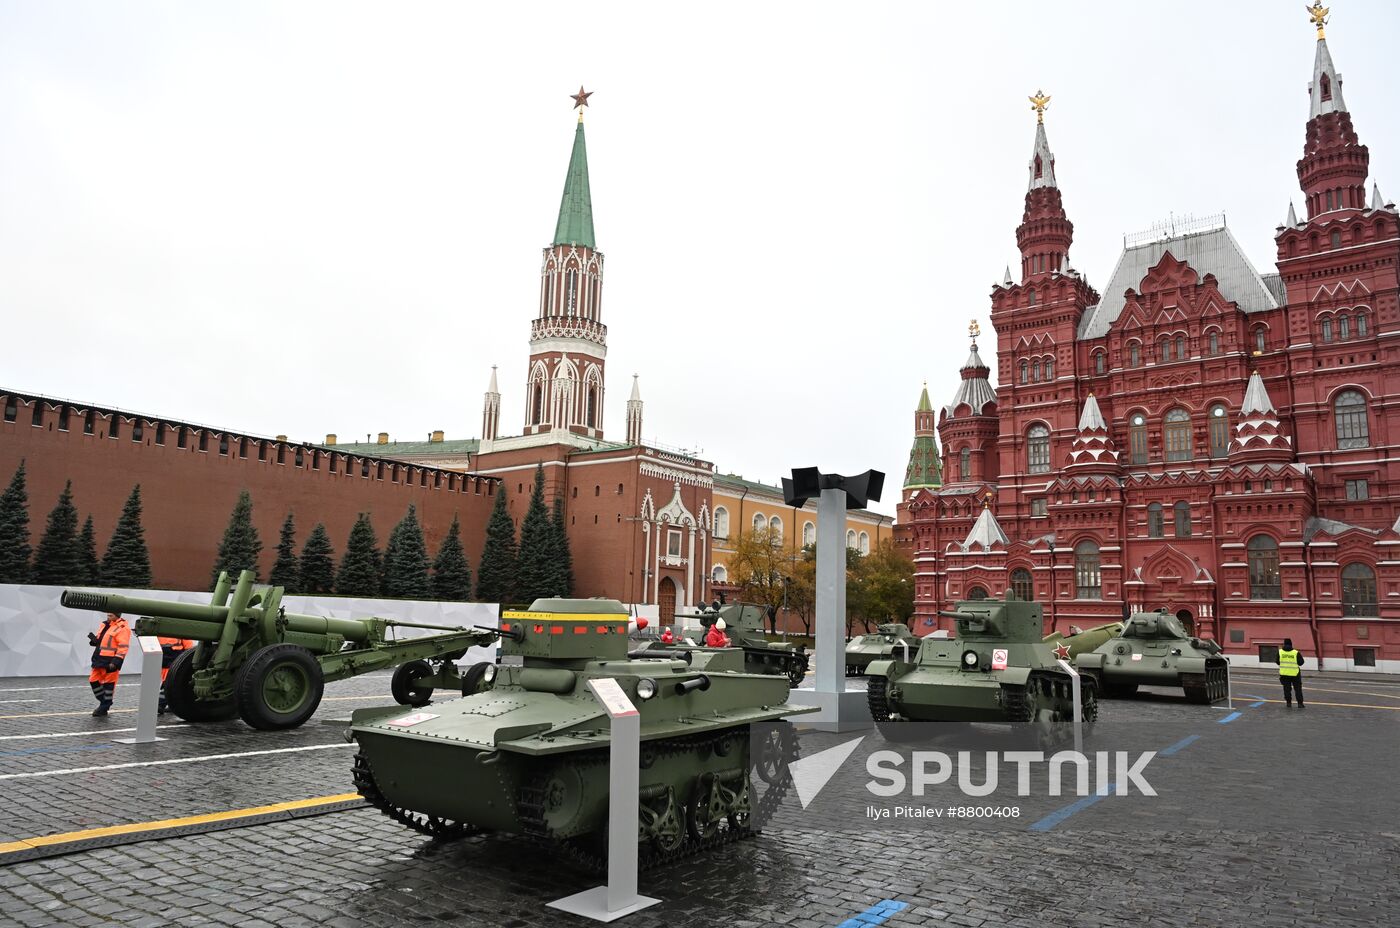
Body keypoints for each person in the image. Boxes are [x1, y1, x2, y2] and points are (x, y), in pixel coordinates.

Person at [88, 612, 131, 717]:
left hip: (111, 661)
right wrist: (95, 641)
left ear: (117, 616)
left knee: (109, 685)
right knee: (93, 680)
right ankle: (105, 701)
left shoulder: (123, 628)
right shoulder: (104, 625)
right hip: (99, 658)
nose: (108, 617)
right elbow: (102, 641)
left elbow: (123, 646)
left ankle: (104, 707)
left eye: (111, 616)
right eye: (107, 615)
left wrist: (116, 661)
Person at [156, 636, 194, 715]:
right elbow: (187, 641)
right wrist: (189, 654)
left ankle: (164, 704)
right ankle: (163, 704)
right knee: (170, 681)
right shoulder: (181, 625)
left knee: (167, 680)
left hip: (164, 654)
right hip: (174, 654)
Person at [1278, 638, 1305, 709]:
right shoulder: (1295, 652)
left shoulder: (1280, 652)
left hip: (1284, 674)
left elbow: (1277, 661)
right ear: (1291, 644)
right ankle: (1300, 704)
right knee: (1298, 689)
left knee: (1286, 689)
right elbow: (1301, 663)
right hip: (1295, 674)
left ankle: (1288, 703)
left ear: (1284, 644)